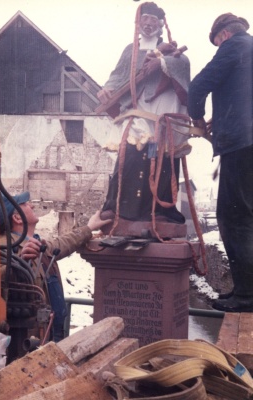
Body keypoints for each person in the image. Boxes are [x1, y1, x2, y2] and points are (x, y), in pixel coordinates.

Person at [98, 2, 192, 225]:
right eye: (144, 19)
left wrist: (161, 63)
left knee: (160, 154)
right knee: (130, 152)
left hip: (161, 112)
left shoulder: (169, 49)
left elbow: (183, 66)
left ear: (160, 24)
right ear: (138, 23)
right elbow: (118, 75)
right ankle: (120, 206)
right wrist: (107, 90)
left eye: (152, 19)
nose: (148, 24)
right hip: (138, 110)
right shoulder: (130, 50)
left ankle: (160, 209)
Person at [188, 13, 253, 312]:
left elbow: (198, 86)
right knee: (247, 217)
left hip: (241, 146)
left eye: (216, 43)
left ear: (223, 35)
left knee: (233, 218)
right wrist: (226, 117)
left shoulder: (233, 47)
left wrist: (198, 119)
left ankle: (246, 296)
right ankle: (244, 290)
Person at [0, 191, 111, 359]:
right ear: (17, 217)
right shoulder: (4, 246)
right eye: (26, 204)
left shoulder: (38, 244)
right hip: (28, 337)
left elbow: (63, 243)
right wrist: (17, 264)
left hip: (51, 328)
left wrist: (89, 228)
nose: (32, 205)